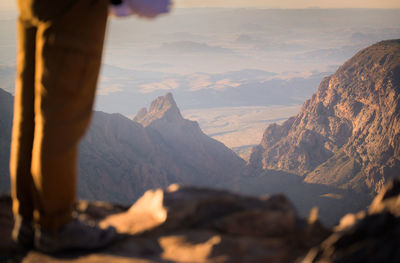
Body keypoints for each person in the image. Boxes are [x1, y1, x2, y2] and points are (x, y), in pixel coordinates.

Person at [10, 0, 170, 253]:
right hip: (75, 7)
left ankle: (28, 219)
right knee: (63, 116)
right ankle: (56, 226)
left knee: (28, 111)